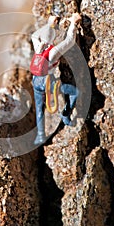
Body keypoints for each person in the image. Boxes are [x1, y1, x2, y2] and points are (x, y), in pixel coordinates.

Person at [30, 12, 81, 145]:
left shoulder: (37, 46)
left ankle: (40, 135)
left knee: (39, 108)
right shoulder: (52, 53)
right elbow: (70, 41)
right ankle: (65, 114)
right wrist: (74, 24)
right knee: (75, 92)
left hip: (36, 80)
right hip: (48, 82)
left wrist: (49, 24)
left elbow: (34, 35)